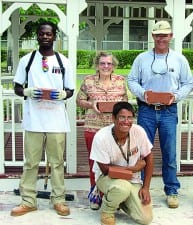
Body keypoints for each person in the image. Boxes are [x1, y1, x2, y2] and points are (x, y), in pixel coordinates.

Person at [127, 20, 193, 208]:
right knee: (141, 151)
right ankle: (138, 187)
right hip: (146, 110)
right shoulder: (142, 58)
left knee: (169, 152)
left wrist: (177, 96)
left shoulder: (179, 59)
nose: (161, 38)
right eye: (158, 35)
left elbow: (188, 82)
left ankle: (171, 190)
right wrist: (143, 94)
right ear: (153, 37)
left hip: (168, 111)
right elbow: (131, 80)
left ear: (170, 36)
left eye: (165, 35)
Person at [11, 21, 75, 216]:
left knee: (56, 163)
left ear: (54, 36)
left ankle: (59, 200)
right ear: (37, 36)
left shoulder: (63, 61)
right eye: (41, 34)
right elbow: (17, 87)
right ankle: (28, 200)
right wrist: (28, 91)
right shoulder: (27, 60)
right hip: (34, 119)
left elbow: (70, 89)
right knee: (31, 162)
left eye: (49, 34)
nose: (45, 37)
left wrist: (63, 95)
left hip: (56, 120)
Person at [76, 51, 128, 210]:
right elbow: (79, 100)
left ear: (114, 66)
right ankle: (95, 193)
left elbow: (125, 101)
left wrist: (119, 111)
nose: (106, 66)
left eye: (109, 63)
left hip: (115, 128)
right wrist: (91, 105)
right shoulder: (88, 81)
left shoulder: (120, 81)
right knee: (95, 162)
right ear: (97, 65)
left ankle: (112, 194)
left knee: (116, 161)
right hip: (93, 127)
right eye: (102, 63)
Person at [90, 101, 153, 225]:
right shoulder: (101, 137)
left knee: (146, 219)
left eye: (130, 118)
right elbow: (106, 170)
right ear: (113, 118)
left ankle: (120, 200)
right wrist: (134, 169)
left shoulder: (138, 131)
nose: (126, 121)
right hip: (107, 178)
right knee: (122, 187)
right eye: (122, 117)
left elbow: (149, 158)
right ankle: (107, 211)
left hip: (133, 180)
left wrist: (146, 187)